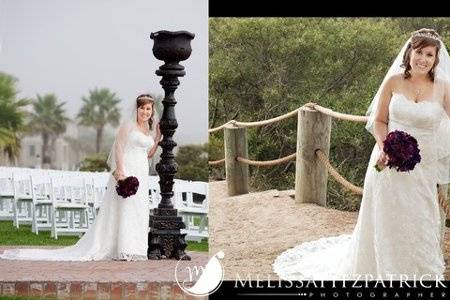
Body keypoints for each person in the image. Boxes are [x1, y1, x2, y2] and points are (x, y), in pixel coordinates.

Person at [273, 28, 450, 280]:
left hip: (423, 167)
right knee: (386, 218)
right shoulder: (394, 81)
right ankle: (381, 271)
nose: (423, 59)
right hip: (387, 162)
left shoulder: (443, 87)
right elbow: (379, 121)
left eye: (429, 55)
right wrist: (386, 143)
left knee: (420, 217)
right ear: (410, 53)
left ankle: (417, 272)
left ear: (436, 59)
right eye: (419, 52)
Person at [0, 94, 162, 261]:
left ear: (152, 111)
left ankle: (135, 248)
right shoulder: (128, 125)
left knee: (137, 210)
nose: (145, 111)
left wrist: (157, 138)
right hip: (127, 170)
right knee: (124, 208)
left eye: (148, 108)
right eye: (142, 107)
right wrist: (121, 173)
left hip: (141, 173)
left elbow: (148, 154)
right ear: (136, 109)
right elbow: (119, 148)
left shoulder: (147, 131)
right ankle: (123, 248)